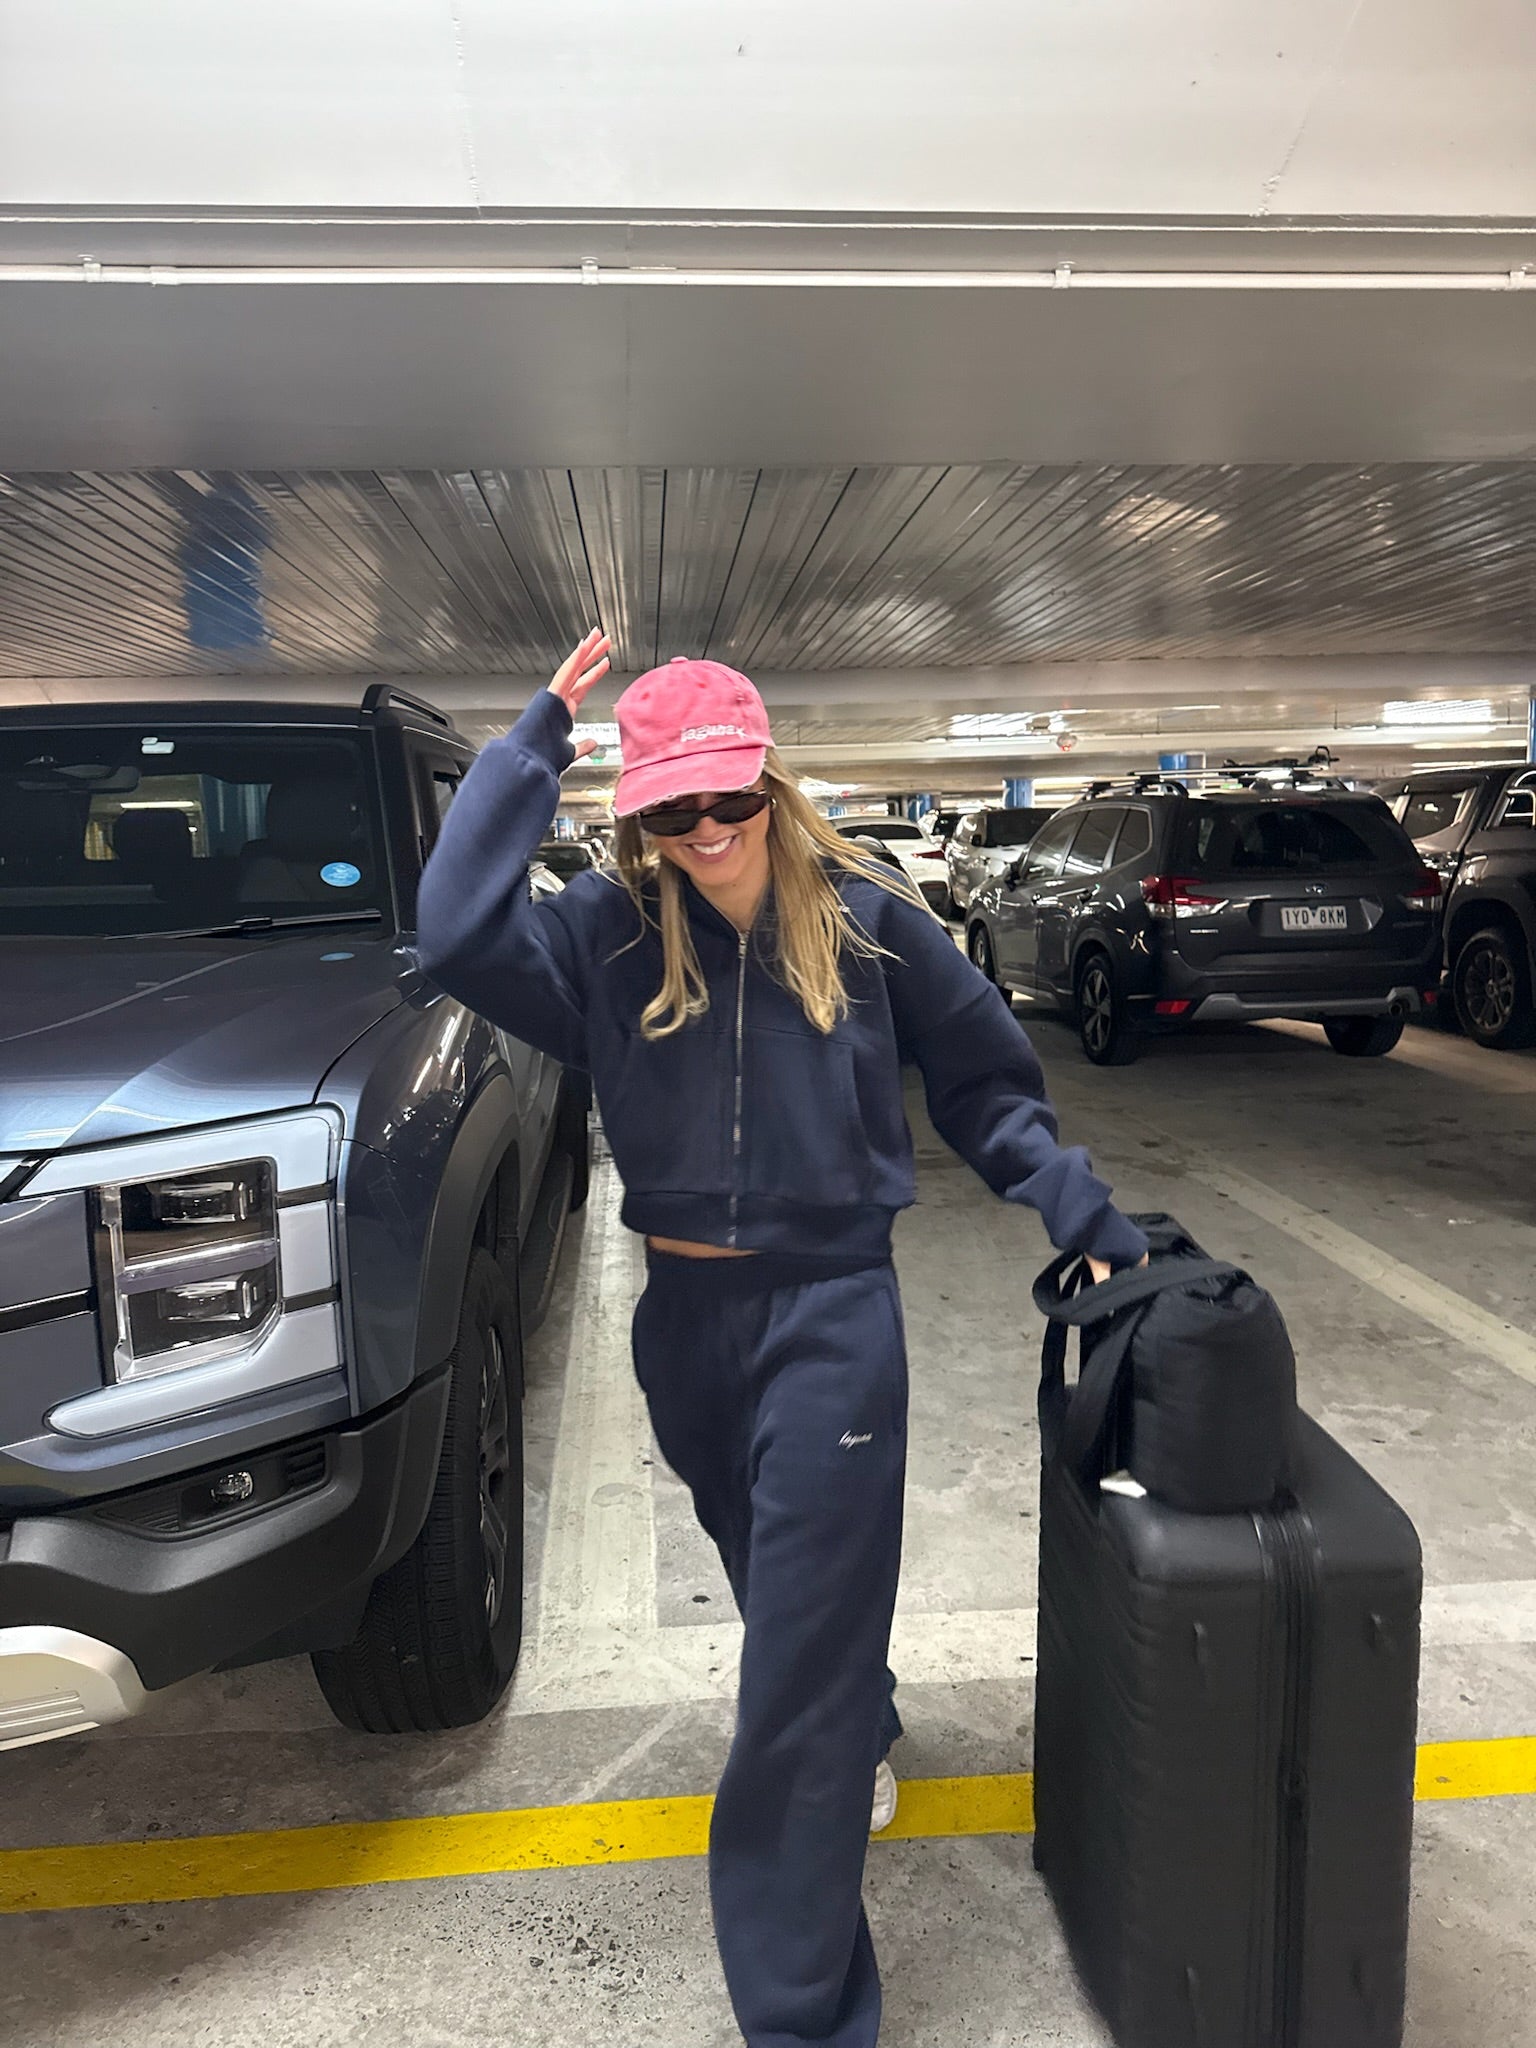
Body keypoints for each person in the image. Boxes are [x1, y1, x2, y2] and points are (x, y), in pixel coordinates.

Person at [417, 632, 1149, 2048]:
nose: (707, 833)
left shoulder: (869, 918)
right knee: (774, 1580)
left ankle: (802, 2015)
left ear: (771, 782)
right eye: (673, 811)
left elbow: (986, 1082)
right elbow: (452, 931)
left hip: (832, 1320)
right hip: (684, 1327)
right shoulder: (604, 935)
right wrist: (532, 746)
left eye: (730, 800)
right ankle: (859, 1714)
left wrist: (1077, 1206)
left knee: (790, 1694)